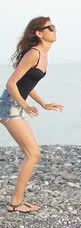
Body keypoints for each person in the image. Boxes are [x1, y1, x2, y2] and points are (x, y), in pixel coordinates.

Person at [1, 17, 63, 213]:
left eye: (54, 27)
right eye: (50, 28)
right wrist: (25, 106)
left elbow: (26, 84)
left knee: (32, 153)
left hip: (16, 106)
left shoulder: (43, 55)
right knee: (33, 153)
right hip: (10, 106)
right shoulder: (34, 54)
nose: (54, 30)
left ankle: (17, 201)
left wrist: (43, 103)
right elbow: (11, 83)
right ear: (39, 33)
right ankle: (15, 203)